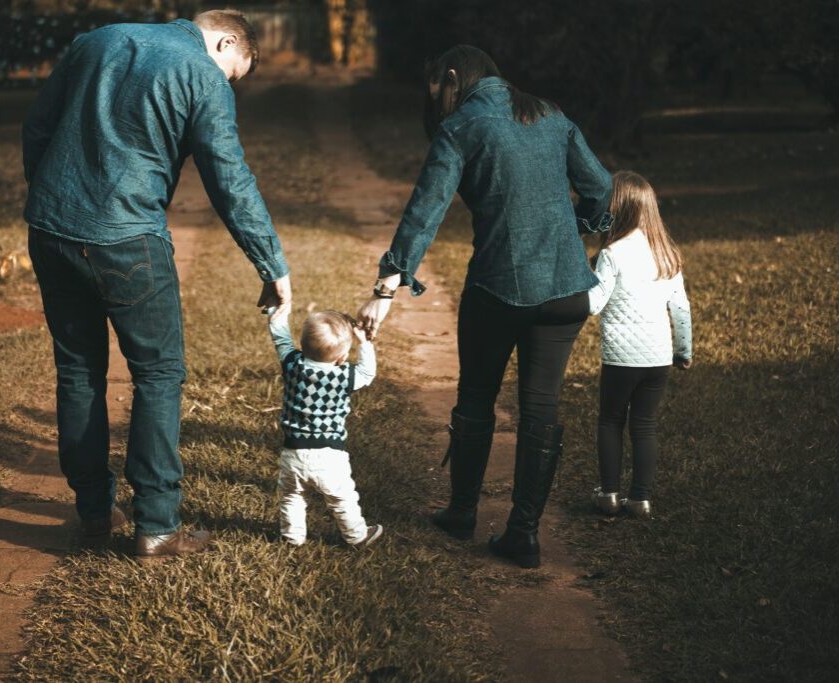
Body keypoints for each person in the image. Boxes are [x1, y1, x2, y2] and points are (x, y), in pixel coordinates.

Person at [22, 10, 292, 559]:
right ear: (224, 40)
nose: (228, 83)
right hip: (128, 240)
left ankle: (95, 514)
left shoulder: (93, 40)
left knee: (78, 371)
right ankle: (158, 525)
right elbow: (229, 180)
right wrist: (271, 265)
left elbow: (37, 127)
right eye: (234, 72)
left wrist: (53, 201)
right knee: (159, 374)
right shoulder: (202, 74)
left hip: (50, 231)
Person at [357, 45, 613, 568]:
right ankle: (524, 534)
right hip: (566, 292)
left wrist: (385, 291)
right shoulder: (550, 113)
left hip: (499, 290)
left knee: (476, 397)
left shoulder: (462, 126)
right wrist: (580, 228)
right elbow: (602, 188)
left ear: (453, 79)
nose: (440, 103)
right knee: (541, 406)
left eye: (439, 92)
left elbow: (422, 215)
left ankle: (461, 513)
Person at [588, 171, 693, 519]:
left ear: (617, 210)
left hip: (621, 359)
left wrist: (580, 279)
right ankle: (641, 500)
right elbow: (680, 308)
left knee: (611, 421)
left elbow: (594, 304)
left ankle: (609, 495)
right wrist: (683, 351)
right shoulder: (666, 254)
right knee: (645, 425)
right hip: (658, 358)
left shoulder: (612, 254)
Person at [267, 309, 383, 547]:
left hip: (293, 453)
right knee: (342, 499)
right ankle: (357, 536)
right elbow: (367, 373)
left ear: (303, 344)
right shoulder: (344, 376)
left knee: (291, 497)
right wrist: (364, 343)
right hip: (330, 456)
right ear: (341, 357)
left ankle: (292, 538)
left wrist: (276, 312)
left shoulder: (292, 365)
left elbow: (280, 338)